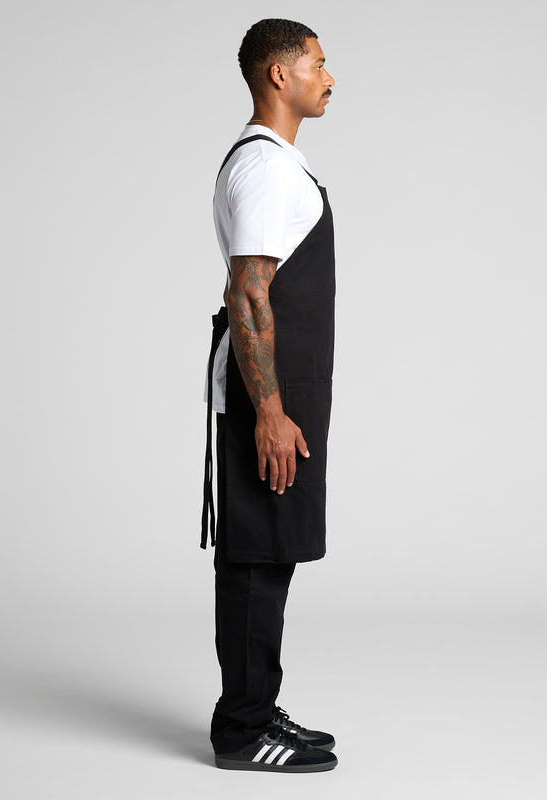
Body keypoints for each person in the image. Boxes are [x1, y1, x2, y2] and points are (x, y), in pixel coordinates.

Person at [201, 19, 338, 773]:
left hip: (283, 386)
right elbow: (249, 294)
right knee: (256, 552)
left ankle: (255, 705)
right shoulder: (264, 168)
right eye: (317, 63)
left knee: (273, 547)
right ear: (279, 75)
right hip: (269, 393)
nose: (329, 77)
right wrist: (272, 413)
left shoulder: (280, 164)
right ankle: (243, 728)